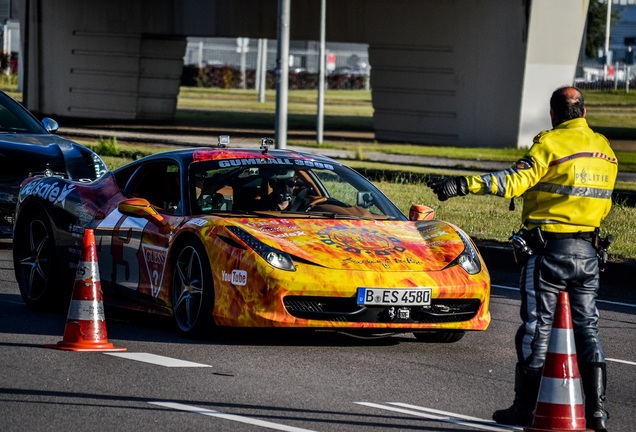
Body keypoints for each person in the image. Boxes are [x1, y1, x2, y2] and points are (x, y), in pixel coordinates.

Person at [427, 86, 617, 432]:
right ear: (585, 113)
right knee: (588, 330)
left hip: (548, 252)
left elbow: (513, 183)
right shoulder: (604, 149)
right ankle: (598, 413)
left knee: (535, 331)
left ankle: (523, 408)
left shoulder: (550, 144)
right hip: (589, 253)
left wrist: (462, 185)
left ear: (553, 115)